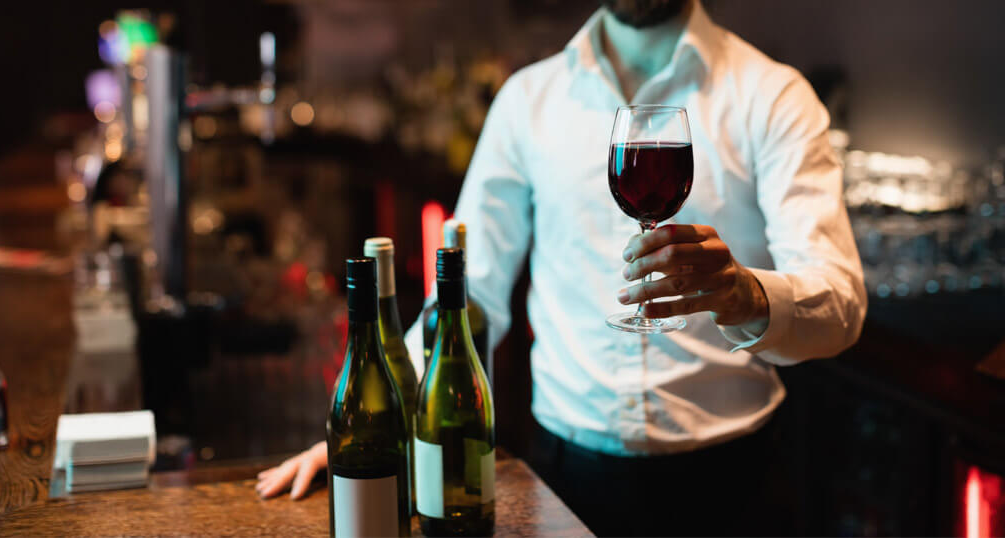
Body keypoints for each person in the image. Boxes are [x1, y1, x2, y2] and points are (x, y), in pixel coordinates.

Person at [257, 0, 867, 534]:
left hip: (734, 481)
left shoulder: (773, 95)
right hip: (567, 481)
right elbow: (471, 296)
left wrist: (746, 296)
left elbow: (841, 304)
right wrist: (380, 421)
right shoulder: (529, 99)